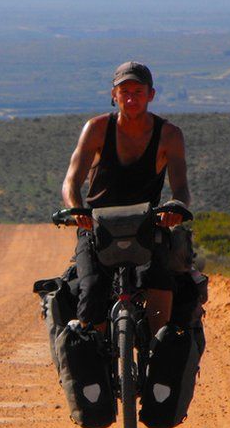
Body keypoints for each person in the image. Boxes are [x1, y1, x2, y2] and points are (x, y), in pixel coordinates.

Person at [62, 61, 191, 335]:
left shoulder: (169, 135)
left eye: (138, 91)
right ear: (114, 95)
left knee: (159, 278)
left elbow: (181, 189)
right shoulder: (96, 129)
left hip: (147, 225)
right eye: (124, 92)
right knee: (93, 287)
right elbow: (71, 181)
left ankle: (159, 347)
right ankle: (95, 351)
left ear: (151, 95)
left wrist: (176, 209)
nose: (131, 98)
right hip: (98, 226)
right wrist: (76, 210)